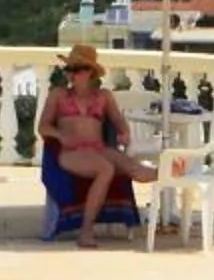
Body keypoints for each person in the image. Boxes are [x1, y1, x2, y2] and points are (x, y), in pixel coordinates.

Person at [43, 45, 153, 247]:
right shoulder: (59, 95)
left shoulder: (103, 96)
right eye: (69, 70)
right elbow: (43, 126)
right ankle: (86, 231)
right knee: (106, 169)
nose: (71, 74)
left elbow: (119, 121)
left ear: (90, 73)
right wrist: (60, 135)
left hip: (97, 148)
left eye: (77, 69)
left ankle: (173, 172)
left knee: (134, 168)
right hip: (72, 151)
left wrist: (124, 132)